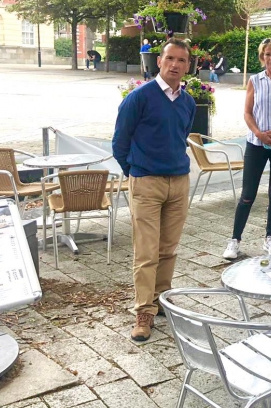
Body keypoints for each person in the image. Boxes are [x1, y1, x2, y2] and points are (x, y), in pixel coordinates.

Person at [112, 39, 196, 343]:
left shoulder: (187, 102)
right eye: (170, 59)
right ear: (159, 62)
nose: (175, 65)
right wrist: (134, 170)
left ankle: (161, 298)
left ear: (188, 66)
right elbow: (120, 141)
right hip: (146, 181)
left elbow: (181, 136)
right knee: (146, 252)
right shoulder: (140, 98)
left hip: (178, 181)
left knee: (168, 249)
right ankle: (143, 312)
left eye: (181, 61)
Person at [223, 39, 271, 259]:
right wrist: (258, 133)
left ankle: (270, 237)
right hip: (257, 143)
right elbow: (247, 112)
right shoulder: (254, 81)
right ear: (262, 57)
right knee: (248, 193)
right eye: (267, 54)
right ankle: (235, 240)